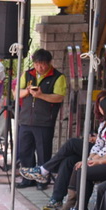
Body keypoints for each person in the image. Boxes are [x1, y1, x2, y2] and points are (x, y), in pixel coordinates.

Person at [21, 93, 106, 210]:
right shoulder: (103, 123)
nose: (99, 107)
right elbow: (99, 145)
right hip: (98, 154)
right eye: (99, 104)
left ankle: (44, 169)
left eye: (102, 104)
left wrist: (91, 160)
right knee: (69, 161)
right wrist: (91, 157)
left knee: (72, 144)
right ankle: (58, 199)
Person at [15, 49, 66, 186]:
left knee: (43, 152)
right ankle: (27, 179)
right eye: (37, 64)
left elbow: (59, 97)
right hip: (26, 119)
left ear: (49, 63)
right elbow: (16, 93)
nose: (40, 67)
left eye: (43, 64)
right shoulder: (28, 74)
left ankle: (42, 179)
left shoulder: (58, 77)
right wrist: (28, 91)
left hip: (44, 121)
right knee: (25, 151)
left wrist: (41, 95)